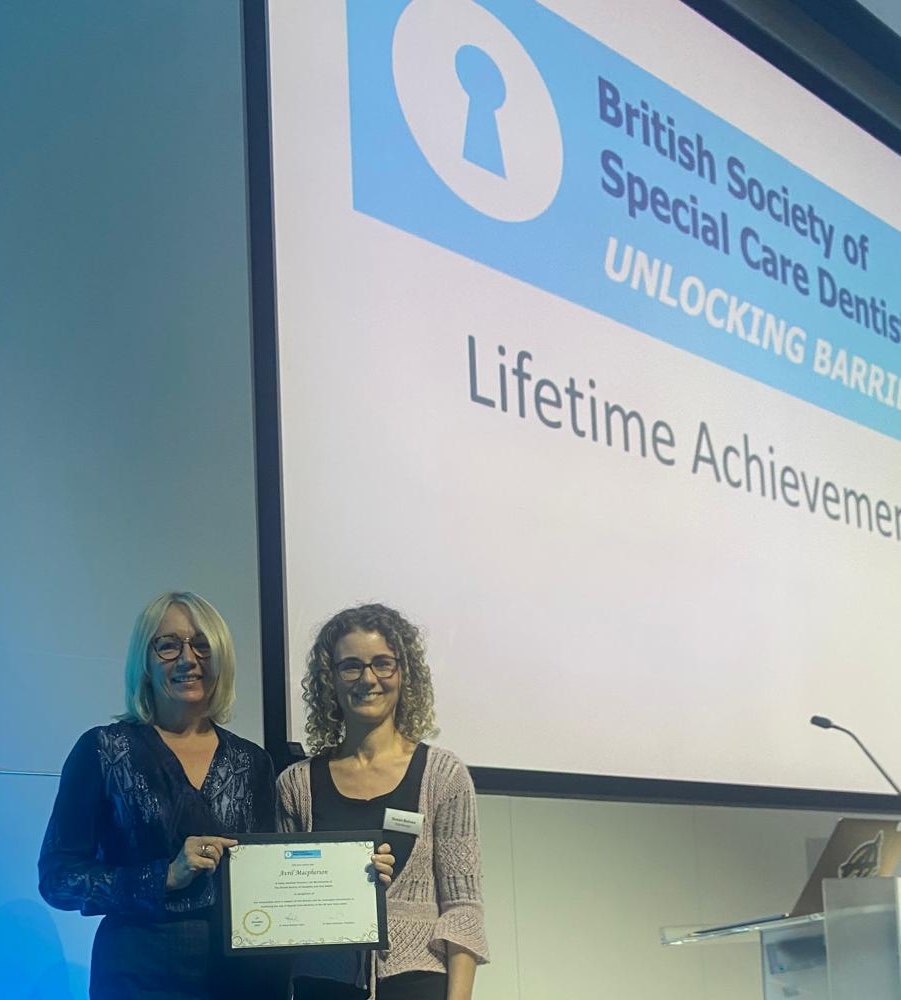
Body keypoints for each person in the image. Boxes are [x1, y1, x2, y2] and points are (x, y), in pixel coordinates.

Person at [38, 590, 393, 1000]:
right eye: (168, 645)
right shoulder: (103, 750)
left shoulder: (252, 761)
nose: (188, 659)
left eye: (203, 645)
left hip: (245, 980)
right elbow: (58, 880)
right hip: (140, 976)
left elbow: (274, 878)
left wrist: (354, 878)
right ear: (144, 661)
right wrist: (164, 876)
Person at [277, 603, 489, 1000]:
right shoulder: (296, 784)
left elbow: (463, 909)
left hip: (417, 984)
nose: (368, 678)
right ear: (330, 679)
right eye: (351, 666)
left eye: (382, 664)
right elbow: (287, 905)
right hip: (322, 985)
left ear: (403, 673)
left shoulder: (443, 776)